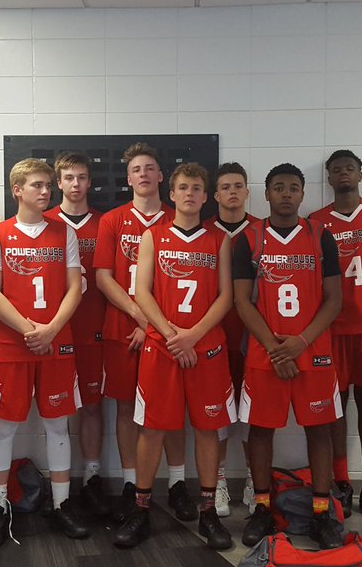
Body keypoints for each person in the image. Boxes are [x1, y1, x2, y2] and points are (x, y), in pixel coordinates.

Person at [113, 163, 235, 551]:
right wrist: (171, 336)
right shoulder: (153, 235)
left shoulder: (219, 239)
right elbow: (142, 292)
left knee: (207, 428)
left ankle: (208, 512)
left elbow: (226, 297)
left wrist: (193, 336)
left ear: (205, 196)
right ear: (172, 193)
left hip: (205, 347)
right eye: (183, 187)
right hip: (162, 346)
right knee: (152, 428)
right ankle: (141, 510)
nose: (189, 194)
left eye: (197, 188)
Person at [233, 163, 346, 551]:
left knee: (319, 428)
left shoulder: (320, 235)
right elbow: (242, 302)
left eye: (293, 188)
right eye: (278, 187)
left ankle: (320, 512)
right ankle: (262, 508)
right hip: (266, 351)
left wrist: (300, 342)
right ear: (266, 194)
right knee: (261, 429)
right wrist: (275, 348)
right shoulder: (250, 238)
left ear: (302, 194)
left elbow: (334, 299)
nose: (286, 193)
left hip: (312, 351)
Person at [0, 158, 89, 548]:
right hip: (13, 345)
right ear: (17, 190)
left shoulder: (63, 232)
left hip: (56, 342)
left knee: (58, 425)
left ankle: (61, 504)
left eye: (48, 185)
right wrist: (30, 331)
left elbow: (74, 288)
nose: (46, 191)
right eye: (37, 185)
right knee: (3, 427)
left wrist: (51, 330)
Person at [94, 143, 195, 522]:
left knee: (170, 409)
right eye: (136, 169)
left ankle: (178, 483)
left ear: (161, 176)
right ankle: (130, 483)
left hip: (168, 332)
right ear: (128, 178)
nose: (143, 174)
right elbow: (104, 278)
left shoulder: (178, 217)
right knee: (125, 408)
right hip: (123, 328)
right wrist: (140, 317)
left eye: (150, 168)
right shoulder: (112, 220)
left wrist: (154, 327)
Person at [308, 150, 362, 525]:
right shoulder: (315, 222)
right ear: (328, 178)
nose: (343, 173)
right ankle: (341, 481)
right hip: (332, 329)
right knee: (335, 408)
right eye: (336, 169)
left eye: (349, 168)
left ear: (360, 173)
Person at [44, 152, 111, 516]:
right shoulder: (44, 222)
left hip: (92, 330)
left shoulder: (104, 223)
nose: (75, 184)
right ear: (58, 182)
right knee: (56, 411)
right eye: (69, 177)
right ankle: (59, 487)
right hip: (54, 331)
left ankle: (92, 477)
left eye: (82, 177)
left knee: (92, 406)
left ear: (89, 182)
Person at [206, 162, 257, 516]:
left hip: (254, 336)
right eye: (225, 187)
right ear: (215, 195)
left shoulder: (262, 231)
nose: (232, 192)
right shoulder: (203, 232)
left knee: (255, 412)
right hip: (215, 335)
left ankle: (255, 480)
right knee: (218, 414)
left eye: (238, 186)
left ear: (247, 192)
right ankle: (219, 481)